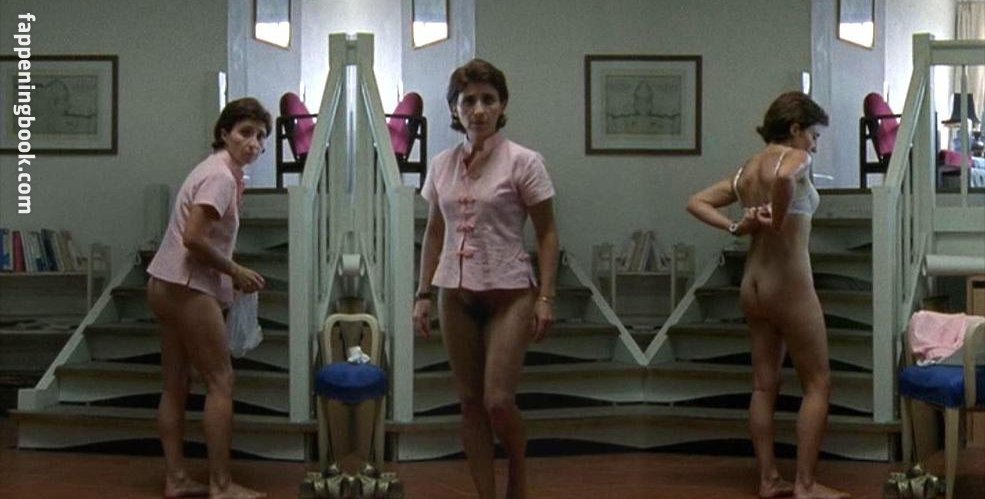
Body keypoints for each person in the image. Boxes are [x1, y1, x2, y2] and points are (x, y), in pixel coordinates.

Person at [686, 91, 849, 499]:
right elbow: (784, 179)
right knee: (818, 383)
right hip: (789, 285)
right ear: (795, 129)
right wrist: (777, 219)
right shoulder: (795, 157)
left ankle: (768, 479)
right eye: (814, 135)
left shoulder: (747, 169)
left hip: (753, 286)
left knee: (763, 386)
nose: (815, 145)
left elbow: (696, 202)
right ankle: (805, 485)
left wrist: (735, 227)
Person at [412, 59, 559, 499]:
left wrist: (546, 297)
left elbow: (547, 233)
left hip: (510, 292)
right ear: (454, 109)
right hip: (454, 293)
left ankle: (518, 471)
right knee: (470, 402)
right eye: (468, 100)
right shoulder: (441, 165)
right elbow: (434, 231)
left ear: (502, 106)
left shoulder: (524, 161)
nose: (478, 109)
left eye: (488, 100)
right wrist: (422, 293)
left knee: (497, 400)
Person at [146, 97, 270, 499]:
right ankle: (221, 484)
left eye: (261, 137)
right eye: (245, 132)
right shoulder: (220, 177)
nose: (254, 143)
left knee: (174, 385)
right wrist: (235, 271)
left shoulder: (213, 170)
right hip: (187, 287)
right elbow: (194, 239)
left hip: (163, 283)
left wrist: (229, 275)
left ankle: (176, 478)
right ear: (224, 133)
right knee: (221, 381)